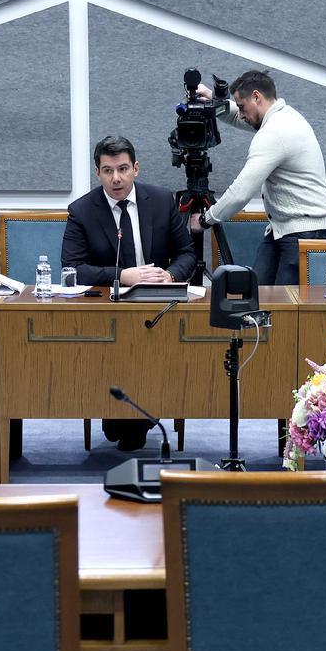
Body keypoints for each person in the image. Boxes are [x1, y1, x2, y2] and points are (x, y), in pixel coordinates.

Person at [63, 135, 195, 450]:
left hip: (157, 308)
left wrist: (169, 275)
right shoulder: (82, 210)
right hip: (108, 312)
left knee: (150, 348)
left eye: (123, 169)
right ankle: (127, 416)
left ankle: (134, 418)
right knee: (120, 351)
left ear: (136, 168)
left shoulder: (161, 200)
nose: (116, 178)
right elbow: (73, 267)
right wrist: (123, 276)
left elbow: (187, 254)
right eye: (108, 171)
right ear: (97, 173)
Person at [188, 70, 326, 285]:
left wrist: (205, 220)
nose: (241, 115)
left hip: (307, 234)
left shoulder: (274, 132)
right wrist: (212, 99)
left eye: (241, 106)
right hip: (288, 230)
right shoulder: (285, 116)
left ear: (256, 97)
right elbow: (239, 117)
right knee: (257, 294)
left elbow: (241, 193)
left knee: (281, 304)